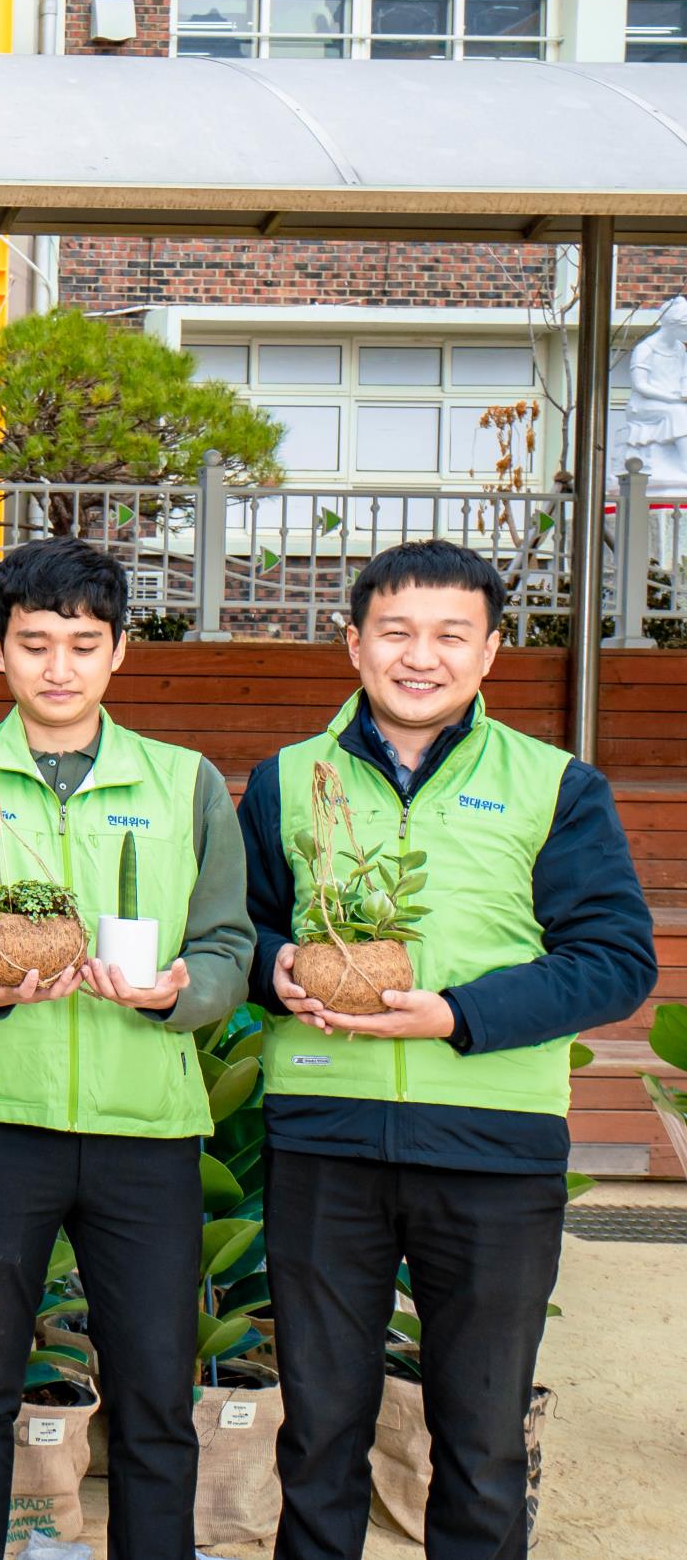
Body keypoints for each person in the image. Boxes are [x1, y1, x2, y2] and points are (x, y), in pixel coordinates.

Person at [238, 540, 653, 1560]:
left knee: (476, 1439)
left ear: (491, 650)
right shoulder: (289, 779)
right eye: (397, 631)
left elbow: (614, 959)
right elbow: (235, 931)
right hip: (326, 1138)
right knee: (321, 1429)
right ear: (354, 641)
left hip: (492, 1147)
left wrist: (459, 1014)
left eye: (449, 634)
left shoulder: (557, 784)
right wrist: (273, 964)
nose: (420, 656)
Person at [0, 538, 253, 1560]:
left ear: (120, 651)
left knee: (152, 1391)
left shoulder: (186, 784)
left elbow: (228, 942)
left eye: (83, 645)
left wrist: (182, 990)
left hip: (147, 1123)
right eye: (34, 643)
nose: (58, 667)